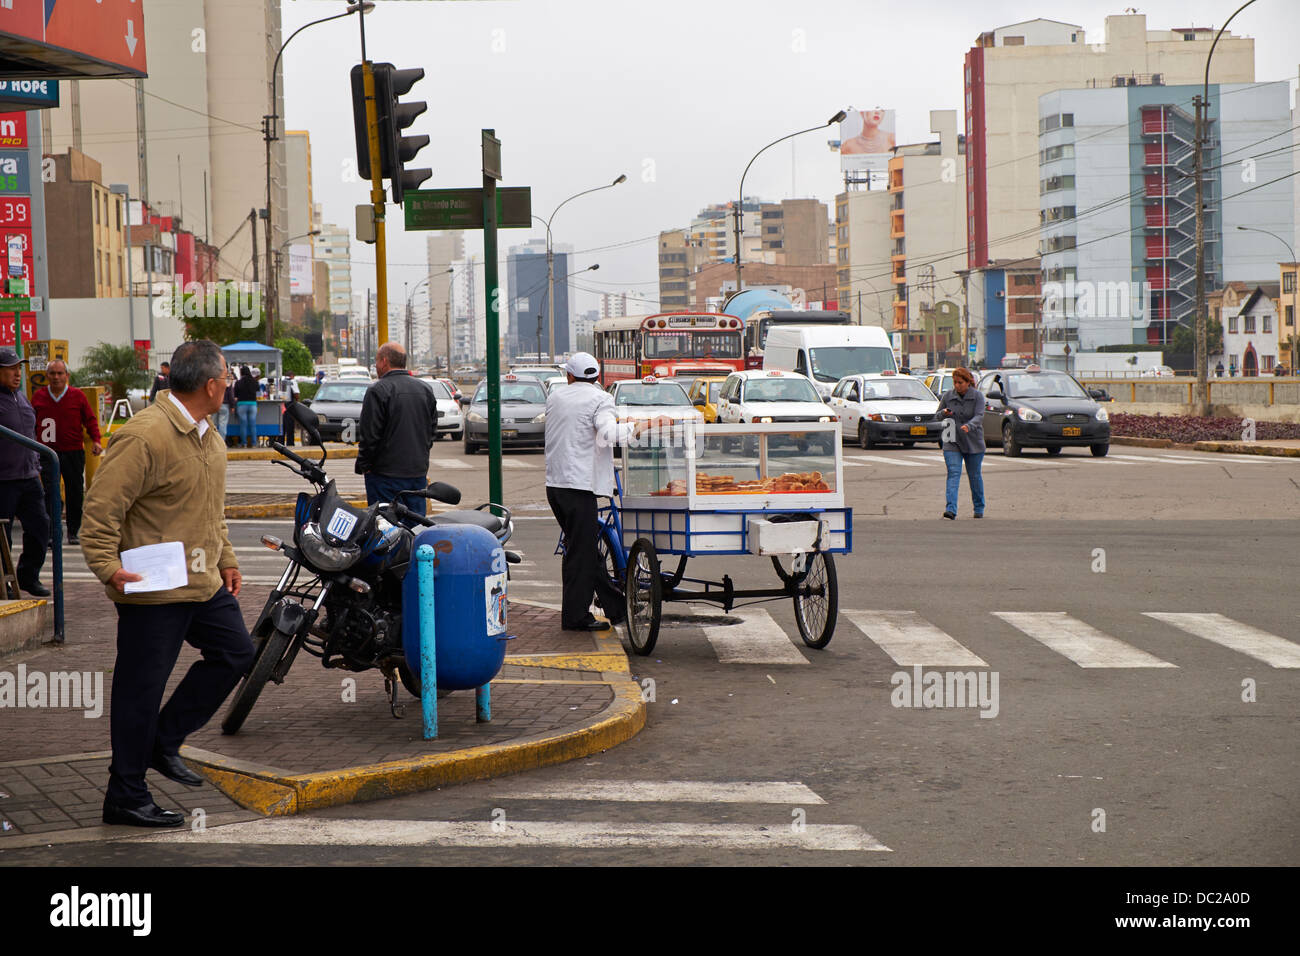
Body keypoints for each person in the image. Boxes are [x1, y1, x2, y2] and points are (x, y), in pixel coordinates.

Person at [81, 340, 253, 829]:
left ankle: (163, 741)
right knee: (140, 691)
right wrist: (107, 566)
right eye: (227, 377)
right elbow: (99, 511)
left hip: (202, 582)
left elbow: (209, 510)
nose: (230, 385)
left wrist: (227, 558)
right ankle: (126, 796)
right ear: (211, 384)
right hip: (152, 587)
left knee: (237, 653)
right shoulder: (146, 436)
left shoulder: (208, 434)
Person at [544, 352, 672, 631]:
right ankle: (576, 617)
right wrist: (644, 426)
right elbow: (607, 431)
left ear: (569, 376)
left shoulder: (556, 397)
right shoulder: (601, 398)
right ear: (597, 377)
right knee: (581, 554)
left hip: (555, 486)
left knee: (585, 551)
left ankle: (615, 606)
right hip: (579, 488)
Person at [355, 342, 438, 519]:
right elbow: (431, 431)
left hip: (384, 475)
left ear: (384, 362)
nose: (376, 366)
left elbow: (370, 435)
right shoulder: (425, 389)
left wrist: (365, 465)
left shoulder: (377, 390)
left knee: (386, 529)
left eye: (376, 362)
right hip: (417, 473)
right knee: (414, 525)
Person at [31, 359, 103, 546]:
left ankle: (73, 531)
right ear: (47, 376)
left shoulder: (77, 396)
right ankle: (51, 532)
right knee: (49, 492)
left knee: (74, 492)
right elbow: (31, 423)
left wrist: (96, 439)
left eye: (60, 373)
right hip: (47, 453)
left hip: (72, 452)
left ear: (67, 376)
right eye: (52, 373)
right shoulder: (38, 397)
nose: (56, 377)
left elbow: (90, 419)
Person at [0, 349, 51, 596]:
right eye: (10, 368)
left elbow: (30, 436)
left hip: (29, 477)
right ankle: (3, 585)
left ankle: (28, 576)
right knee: (3, 537)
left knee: (41, 527)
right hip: (4, 480)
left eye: (18, 368)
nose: (16, 373)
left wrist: (36, 468)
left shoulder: (21, 398)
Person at [937, 366, 985, 520]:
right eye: (955, 383)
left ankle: (979, 507)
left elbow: (979, 416)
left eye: (960, 383)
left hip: (972, 440)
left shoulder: (977, 396)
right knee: (953, 473)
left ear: (968, 382)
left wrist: (969, 426)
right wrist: (944, 413)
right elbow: (937, 416)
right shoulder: (948, 396)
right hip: (951, 438)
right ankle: (951, 509)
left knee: (974, 476)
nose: (957, 386)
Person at [233, 365, 260, 448]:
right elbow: (258, 391)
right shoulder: (254, 381)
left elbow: (235, 394)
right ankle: (254, 443)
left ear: (241, 373)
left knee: (243, 424)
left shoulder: (238, 382)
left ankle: (244, 443)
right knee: (253, 424)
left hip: (241, 404)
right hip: (252, 404)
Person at [280, 374, 301, 446]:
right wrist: (297, 401)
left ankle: (280, 443)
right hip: (290, 407)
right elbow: (296, 394)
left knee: (282, 427)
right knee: (290, 427)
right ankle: (290, 444)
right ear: (292, 376)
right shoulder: (293, 382)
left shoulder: (281, 381)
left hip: (281, 407)